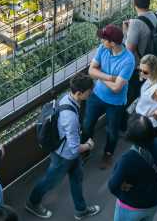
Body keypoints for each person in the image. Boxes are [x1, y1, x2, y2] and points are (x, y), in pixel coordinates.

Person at [26, 73, 101, 220]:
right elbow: (75, 148)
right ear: (79, 93)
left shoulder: (66, 98)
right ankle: (32, 202)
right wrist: (88, 145)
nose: (91, 93)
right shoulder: (70, 118)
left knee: (76, 177)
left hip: (65, 151)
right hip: (64, 156)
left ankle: (81, 210)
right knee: (50, 181)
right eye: (89, 92)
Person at [107, 115, 157, 221]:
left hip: (131, 207)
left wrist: (123, 193)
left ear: (130, 135)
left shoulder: (127, 159)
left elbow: (112, 186)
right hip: (152, 202)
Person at [82, 24, 136, 170]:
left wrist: (100, 76)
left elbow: (117, 88)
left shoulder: (128, 60)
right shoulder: (103, 48)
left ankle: (108, 153)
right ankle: (85, 150)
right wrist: (111, 77)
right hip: (97, 95)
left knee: (112, 131)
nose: (101, 41)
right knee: (87, 125)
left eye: (104, 39)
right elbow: (91, 71)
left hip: (115, 102)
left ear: (112, 43)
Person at [122, 0, 157, 106]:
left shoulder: (136, 23)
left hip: (138, 67)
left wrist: (125, 32)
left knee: (131, 97)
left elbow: (129, 50)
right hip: (152, 61)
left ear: (134, 4)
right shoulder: (155, 16)